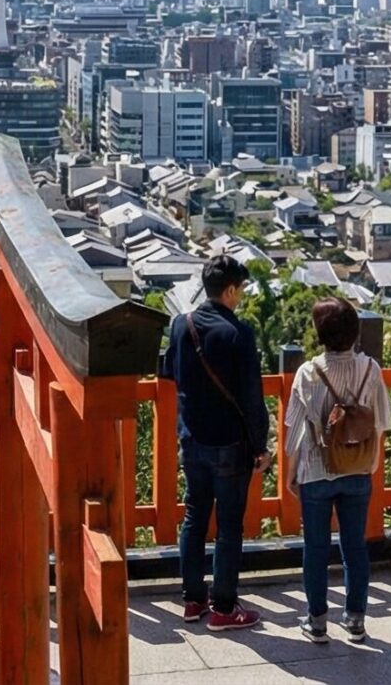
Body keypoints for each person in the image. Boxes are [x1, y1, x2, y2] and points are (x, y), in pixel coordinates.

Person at [159, 254, 269, 632]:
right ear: (231, 289)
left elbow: (168, 369)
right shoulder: (239, 333)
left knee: (193, 517)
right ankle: (223, 606)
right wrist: (260, 445)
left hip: (192, 438)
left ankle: (192, 599)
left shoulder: (180, 325)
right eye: (241, 290)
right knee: (228, 526)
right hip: (230, 443)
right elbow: (252, 397)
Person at [284, 298, 391, 643]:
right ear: (354, 332)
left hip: (317, 469)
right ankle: (356, 618)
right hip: (358, 469)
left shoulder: (307, 372)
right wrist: (372, 462)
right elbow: (382, 423)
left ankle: (317, 622)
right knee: (355, 547)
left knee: (315, 548)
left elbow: (294, 429)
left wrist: (290, 472)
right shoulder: (370, 369)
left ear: (320, 334)